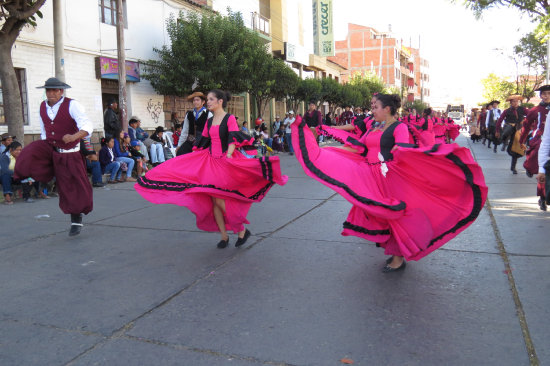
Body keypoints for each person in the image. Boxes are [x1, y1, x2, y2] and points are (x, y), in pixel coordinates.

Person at [290, 93, 487, 272]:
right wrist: (323, 151)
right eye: (372, 107)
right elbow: (360, 149)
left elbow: (404, 152)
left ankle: (398, 257)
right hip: (371, 173)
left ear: (388, 109)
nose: (372, 110)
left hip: (389, 175)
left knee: (395, 216)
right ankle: (393, 252)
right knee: (380, 214)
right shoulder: (375, 127)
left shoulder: (399, 127)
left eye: (376, 107)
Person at [135, 89, 288, 248]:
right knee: (214, 201)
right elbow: (204, 141)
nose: (207, 102)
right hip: (209, 161)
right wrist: (189, 154)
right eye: (207, 99)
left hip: (223, 162)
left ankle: (241, 229)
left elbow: (232, 139)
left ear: (220, 101)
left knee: (220, 201)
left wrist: (228, 155)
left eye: (210, 99)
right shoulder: (209, 121)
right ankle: (224, 237)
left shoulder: (229, 119)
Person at [14, 77, 93, 236]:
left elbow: (87, 125)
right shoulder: (43, 106)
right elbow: (44, 130)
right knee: (29, 152)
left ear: (61, 91)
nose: (50, 93)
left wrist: (74, 136)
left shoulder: (72, 104)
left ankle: (76, 220)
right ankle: (22, 177)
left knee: (75, 187)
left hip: (71, 154)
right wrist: (45, 147)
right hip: (52, 148)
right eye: (48, 90)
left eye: (54, 90)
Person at [520, 84, 550, 210]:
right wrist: (521, 140)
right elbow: (526, 126)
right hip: (540, 140)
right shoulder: (535, 110)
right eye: (544, 94)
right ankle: (543, 197)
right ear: (540, 96)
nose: (547, 96)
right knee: (541, 167)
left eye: (549, 94)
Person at [496, 95, 528, 174]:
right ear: (510, 103)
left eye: (517, 101)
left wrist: (525, 121)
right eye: (513, 101)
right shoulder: (507, 111)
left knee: (518, 149)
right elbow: (500, 120)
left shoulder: (522, 109)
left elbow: (531, 114)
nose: (515, 103)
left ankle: (515, 167)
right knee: (513, 148)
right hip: (510, 130)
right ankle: (504, 141)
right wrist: (497, 130)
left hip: (519, 131)